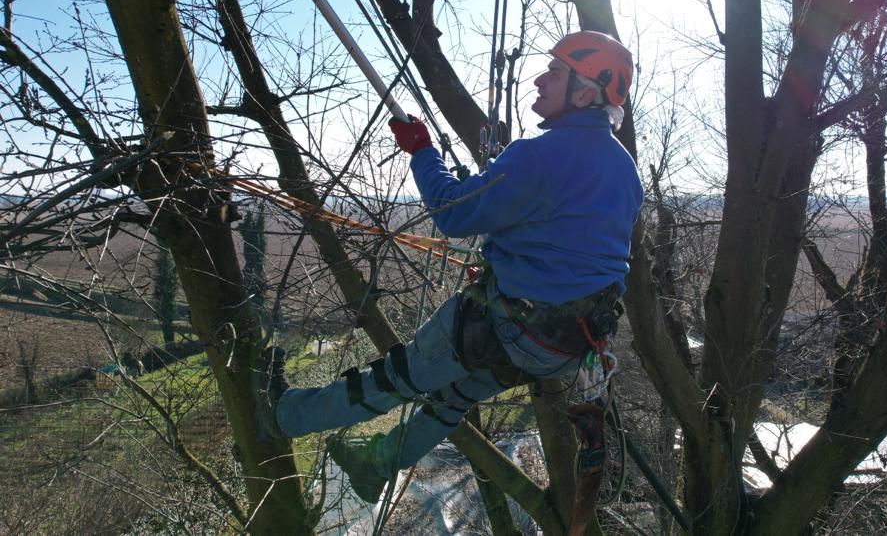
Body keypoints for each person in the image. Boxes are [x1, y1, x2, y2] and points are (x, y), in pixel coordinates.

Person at [254, 30, 643, 504]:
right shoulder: (623, 168)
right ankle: (377, 464)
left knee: (397, 377)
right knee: (451, 400)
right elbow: (569, 241)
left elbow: (454, 213)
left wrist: (421, 151)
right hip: (564, 345)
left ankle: (282, 416)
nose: (540, 79)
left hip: (512, 326)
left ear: (585, 92)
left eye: (556, 73)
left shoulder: (540, 155)